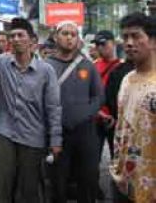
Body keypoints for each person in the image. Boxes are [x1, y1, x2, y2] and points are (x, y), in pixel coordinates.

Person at [0, 17, 62, 203]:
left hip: (32, 137)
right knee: (2, 187)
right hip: (4, 133)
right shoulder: (2, 63)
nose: (15, 39)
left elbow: (53, 108)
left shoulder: (46, 71)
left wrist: (55, 140)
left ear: (32, 41)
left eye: (20, 35)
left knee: (29, 190)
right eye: (11, 36)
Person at [45, 21, 103, 203]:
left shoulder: (88, 65)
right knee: (57, 182)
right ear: (56, 37)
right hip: (57, 134)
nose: (69, 38)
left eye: (73, 34)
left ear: (78, 39)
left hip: (85, 132)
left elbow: (99, 97)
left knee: (87, 180)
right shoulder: (46, 66)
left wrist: (84, 114)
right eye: (65, 33)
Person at [110, 13, 156, 203]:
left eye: (136, 36)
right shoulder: (126, 80)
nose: (128, 43)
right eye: (125, 37)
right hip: (123, 180)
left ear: (153, 41)